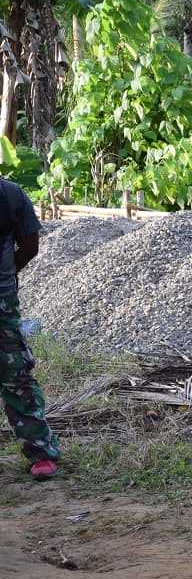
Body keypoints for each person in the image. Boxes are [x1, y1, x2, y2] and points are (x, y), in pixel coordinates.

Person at [0, 178, 61, 480]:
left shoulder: (9, 194)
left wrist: (5, 278)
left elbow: (30, 245)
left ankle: (40, 451)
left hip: (1, 306)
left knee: (16, 376)